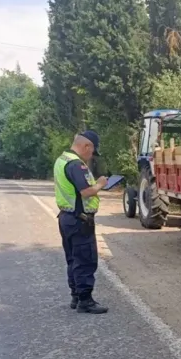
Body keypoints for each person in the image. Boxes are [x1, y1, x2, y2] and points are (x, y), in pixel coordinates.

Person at [53, 130, 109, 314]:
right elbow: (86, 192)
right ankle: (85, 300)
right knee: (85, 259)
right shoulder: (77, 165)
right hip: (80, 219)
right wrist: (101, 183)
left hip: (66, 217)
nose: (91, 156)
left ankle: (76, 296)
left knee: (73, 258)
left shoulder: (62, 160)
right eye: (92, 151)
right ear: (86, 146)